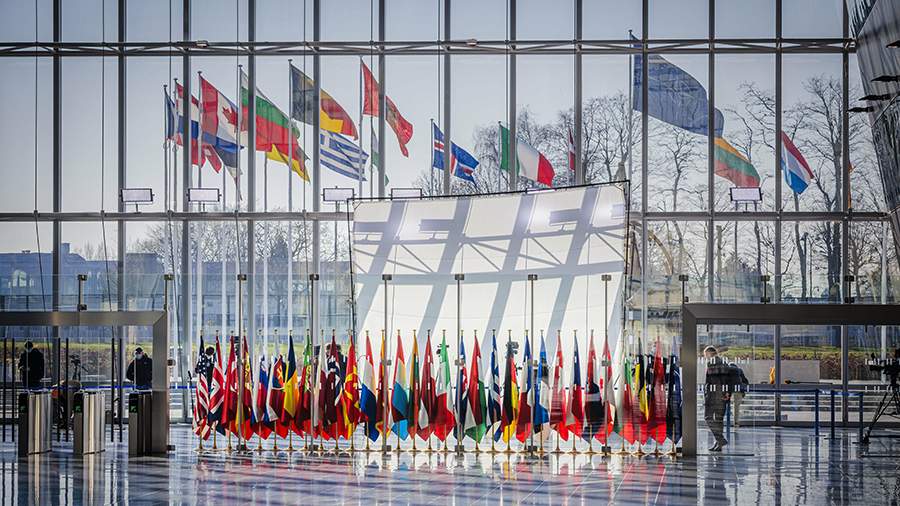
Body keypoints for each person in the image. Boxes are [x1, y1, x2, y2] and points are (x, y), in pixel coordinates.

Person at [704, 345, 733, 452]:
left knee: (708, 417)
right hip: (722, 396)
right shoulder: (723, 362)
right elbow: (726, 379)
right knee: (719, 420)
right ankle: (718, 443)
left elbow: (715, 380)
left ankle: (720, 440)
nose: (705, 357)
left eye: (705, 355)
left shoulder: (712, 363)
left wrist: (710, 394)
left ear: (709, 353)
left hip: (714, 395)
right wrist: (726, 393)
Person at [729, 362, 750, 428]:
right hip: (738, 390)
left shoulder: (726, 370)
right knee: (736, 407)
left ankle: (725, 422)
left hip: (728, 390)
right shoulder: (739, 370)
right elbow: (745, 381)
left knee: (726, 406)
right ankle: (736, 423)